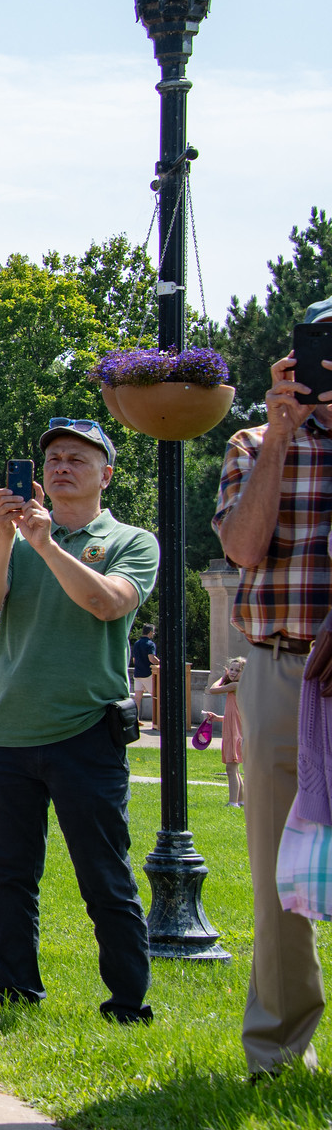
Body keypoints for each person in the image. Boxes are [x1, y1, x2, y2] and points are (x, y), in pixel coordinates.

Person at [0, 418, 158, 1025]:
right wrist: (5, 536)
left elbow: (107, 603)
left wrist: (49, 546)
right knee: (8, 877)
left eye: (78, 458)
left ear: (106, 474)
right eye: (52, 458)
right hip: (6, 733)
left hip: (86, 731)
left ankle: (128, 1003)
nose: (60, 466)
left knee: (104, 876)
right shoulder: (18, 544)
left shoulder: (132, 540)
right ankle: (16, 994)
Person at [212, 335, 332, 1074]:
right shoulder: (254, 442)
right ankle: (281, 1053)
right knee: (278, 870)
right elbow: (245, 548)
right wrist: (283, 433)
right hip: (282, 667)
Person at [202, 657, 246, 807]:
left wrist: (223, 677)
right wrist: (218, 718)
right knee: (235, 768)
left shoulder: (235, 685)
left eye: (237, 670)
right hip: (235, 729)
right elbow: (234, 714)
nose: (233, 672)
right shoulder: (237, 688)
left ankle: (232, 802)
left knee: (231, 768)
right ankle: (241, 800)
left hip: (234, 732)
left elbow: (212, 690)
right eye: (231, 669)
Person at [130, 623, 158, 729]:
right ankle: (157, 721)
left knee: (137, 698)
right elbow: (151, 658)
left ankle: (135, 720)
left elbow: (134, 660)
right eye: (153, 632)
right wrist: (160, 663)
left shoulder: (136, 643)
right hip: (148, 674)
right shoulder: (150, 644)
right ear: (150, 632)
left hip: (137, 673)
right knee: (156, 696)